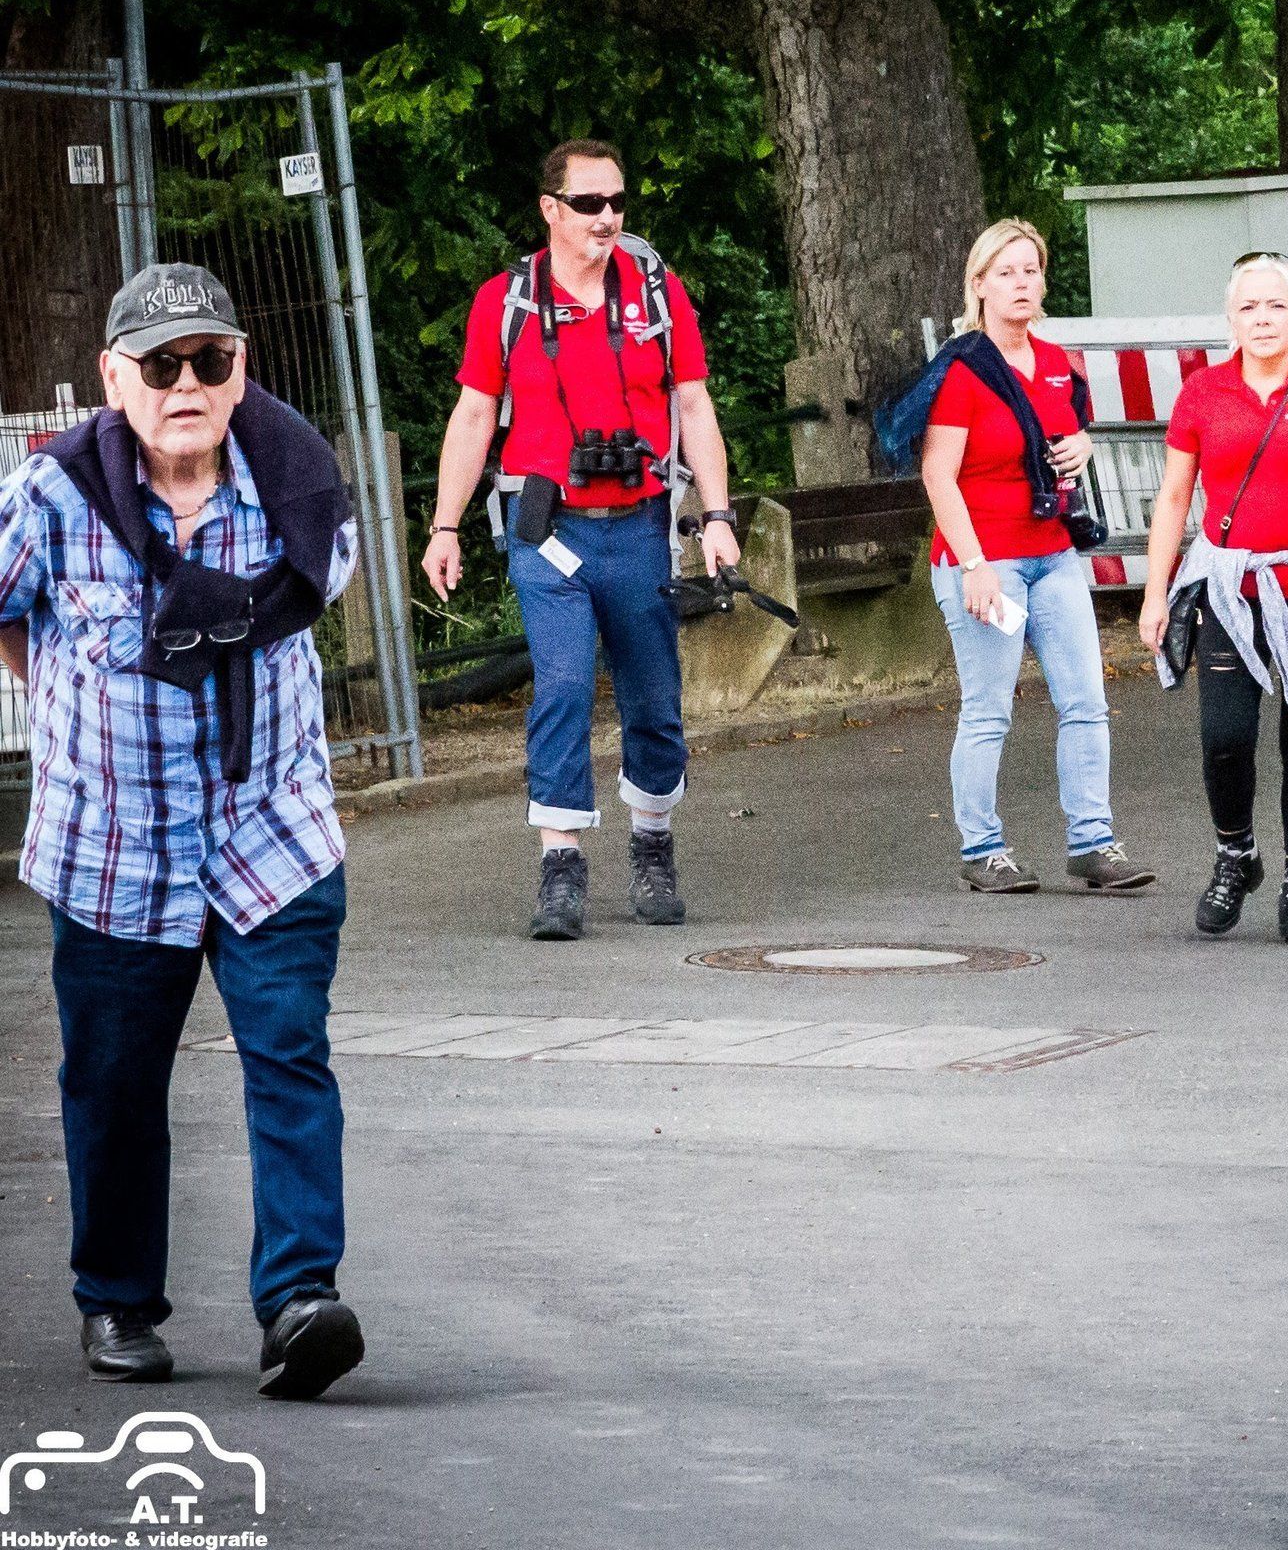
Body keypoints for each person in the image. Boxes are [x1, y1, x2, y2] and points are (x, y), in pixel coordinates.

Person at [0, 263, 365, 1397]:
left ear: (239, 368)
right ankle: (117, 1302)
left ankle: (299, 1300)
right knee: (113, 1086)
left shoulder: (299, 485)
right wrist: (58, 697)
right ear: (114, 379)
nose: (186, 385)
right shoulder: (52, 497)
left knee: (289, 1057)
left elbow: (322, 594)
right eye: (159, 366)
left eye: (209, 360)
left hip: (271, 834)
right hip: (114, 848)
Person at [422, 138, 739, 940]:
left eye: (617, 202)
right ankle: (560, 865)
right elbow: (472, 414)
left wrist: (718, 517)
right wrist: (444, 526)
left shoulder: (657, 293)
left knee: (654, 700)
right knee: (562, 687)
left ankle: (653, 843)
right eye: (589, 203)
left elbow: (694, 406)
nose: (607, 217)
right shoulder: (508, 301)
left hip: (638, 528)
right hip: (549, 532)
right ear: (550, 209)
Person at [1137, 253, 1288, 943]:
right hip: (1228, 591)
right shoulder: (1203, 394)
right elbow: (1175, 497)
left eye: (1276, 306)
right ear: (1231, 319)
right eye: (1248, 307)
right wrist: (1156, 594)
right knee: (1224, 738)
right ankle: (1236, 854)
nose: (1263, 319)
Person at [917, 219, 1154, 895]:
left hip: (1052, 555)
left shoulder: (1054, 362)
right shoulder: (964, 368)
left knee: (1086, 701)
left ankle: (1093, 843)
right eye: (1006, 273)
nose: (1021, 284)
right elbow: (938, 474)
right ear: (980, 285)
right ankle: (983, 849)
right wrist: (973, 567)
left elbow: (1064, 434)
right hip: (986, 561)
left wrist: (1083, 445)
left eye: (1031, 270)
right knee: (988, 709)